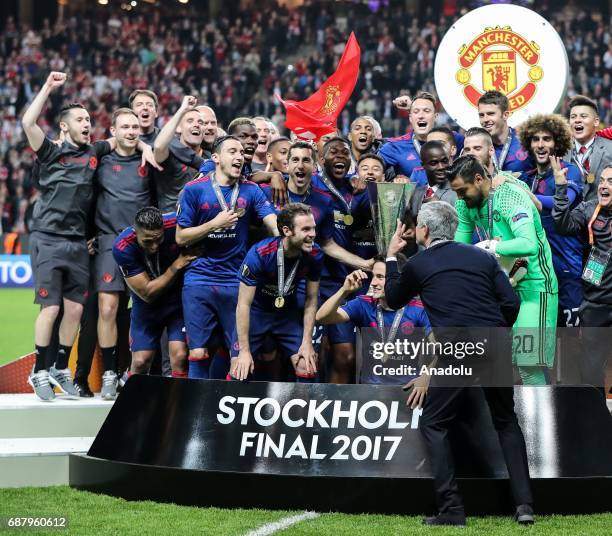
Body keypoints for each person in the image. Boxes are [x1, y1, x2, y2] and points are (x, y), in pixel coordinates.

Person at [384, 201, 534, 527]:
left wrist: (392, 255)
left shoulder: (419, 264)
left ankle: (452, 510)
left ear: (423, 231)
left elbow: (393, 298)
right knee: (506, 422)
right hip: (496, 342)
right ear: (452, 229)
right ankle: (524, 506)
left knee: (433, 423)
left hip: (458, 348)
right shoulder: (482, 257)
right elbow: (510, 301)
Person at [22, 71, 155, 401]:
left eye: (88, 119)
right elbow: (28, 122)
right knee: (50, 308)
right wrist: (49, 87)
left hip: (79, 242)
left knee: (76, 310)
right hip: (48, 237)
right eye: (80, 119)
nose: (86, 123)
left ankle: (59, 368)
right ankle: (39, 369)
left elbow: (126, 137)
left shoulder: (95, 151)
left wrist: (144, 146)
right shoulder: (51, 152)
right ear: (64, 126)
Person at [448, 155, 558, 385]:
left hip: (534, 287)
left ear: (479, 179)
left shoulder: (510, 196)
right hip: (501, 286)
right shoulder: (465, 202)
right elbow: (460, 246)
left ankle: (544, 420)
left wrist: (490, 247)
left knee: (528, 366)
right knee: (498, 363)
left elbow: (529, 244)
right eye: (456, 192)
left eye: (462, 191)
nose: (459, 197)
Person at [176, 135, 278, 378]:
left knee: (239, 355)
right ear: (216, 158)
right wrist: (213, 224)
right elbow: (181, 238)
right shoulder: (193, 190)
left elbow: (271, 220)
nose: (239, 156)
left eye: (242, 152)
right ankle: (194, 411)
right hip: (199, 280)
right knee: (198, 352)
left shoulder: (251, 190)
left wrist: (283, 235)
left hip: (236, 282)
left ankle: (230, 412)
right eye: (232, 151)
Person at [83, 108, 154, 398]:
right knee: (107, 308)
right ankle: (110, 372)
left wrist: (145, 147)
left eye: (135, 126)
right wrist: (89, 234)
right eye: (124, 126)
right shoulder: (101, 160)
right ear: (113, 131)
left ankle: (139, 372)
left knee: (144, 310)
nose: (131, 130)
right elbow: (84, 195)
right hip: (109, 242)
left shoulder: (150, 159)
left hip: (143, 244)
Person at [230, 203, 322, 382]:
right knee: (239, 370)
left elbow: (311, 300)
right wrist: (244, 352)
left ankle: (300, 410)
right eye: (306, 229)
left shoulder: (315, 255)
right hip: (257, 314)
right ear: (287, 231)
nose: (313, 234)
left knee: (307, 366)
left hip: (286, 316)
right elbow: (243, 304)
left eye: (313, 228)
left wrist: (307, 342)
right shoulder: (260, 254)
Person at [316, 256, 430, 385]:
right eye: (373, 276)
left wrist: (426, 376)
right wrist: (344, 291)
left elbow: (445, 349)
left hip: (407, 390)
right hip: (370, 391)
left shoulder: (418, 309)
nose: (373, 283)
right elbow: (322, 317)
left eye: (380, 277)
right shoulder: (363, 304)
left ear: (398, 279)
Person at [316, 137, 374, 383]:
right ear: (321, 159)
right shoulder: (313, 187)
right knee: (315, 354)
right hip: (318, 282)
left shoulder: (355, 189)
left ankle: (335, 414)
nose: (340, 155)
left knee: (345, 355)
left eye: (344, 152)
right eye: (333, 152)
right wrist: (273, 175)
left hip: (349, 282)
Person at [517, 114, 584, 327]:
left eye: (547, 139)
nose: (540, 144)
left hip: (565, 265)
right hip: (537, 269)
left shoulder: (569, 170)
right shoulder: (526, 178)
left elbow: (564, 201)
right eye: (535, 139)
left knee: (571, 338)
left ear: (558, 143)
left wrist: (531, 197)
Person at [553, 163, 612, 399]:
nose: (605, 186)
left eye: (611, 182)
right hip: (596, 304)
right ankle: (595, 420)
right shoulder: (589, 210)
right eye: (603, 181)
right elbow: (563, 224)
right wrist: (560, 188)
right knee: (590, 370)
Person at [112, 208, 193, 379]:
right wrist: (177, 264)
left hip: (178, 303)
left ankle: (178, 403)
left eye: (158, 239)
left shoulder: (176, 224)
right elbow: (147, 293)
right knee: (141, 361)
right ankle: (132, 397)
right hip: (147, 306)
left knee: (180, 355)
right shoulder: (122, 246)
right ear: (135, 232)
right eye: (147, 241)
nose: (154, 246)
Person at [153, 95, 205, 212]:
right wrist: (182, 110)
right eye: (190, 121)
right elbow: (158, 146)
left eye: (200, 122)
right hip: (171, 223)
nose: (196, 124)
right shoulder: (169, 154)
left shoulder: (210, 156)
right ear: (178, 128)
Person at [378, 91, 438, 178]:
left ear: (435, 117)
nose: (421, 116)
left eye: (426, 111)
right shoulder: (395, 146)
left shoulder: (451, 139)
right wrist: (393, 181)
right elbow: (370, 168)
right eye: (416, 112)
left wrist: (413, 107)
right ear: (410, 118)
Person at [565, 95, 612, 202]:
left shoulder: (610, 149)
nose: (577, 120)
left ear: (596, 122)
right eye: (573, 117)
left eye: (583, 116)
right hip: (567, 216)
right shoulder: (560, 151)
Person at [477, 90, 531, 174]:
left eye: (490, 114)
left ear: (505, 115)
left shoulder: (526, 141)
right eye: (481, 115)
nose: (485, 119)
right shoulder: (477, 147)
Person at [409, 141, 457, 219]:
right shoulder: (415, 193)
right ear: (423, 165)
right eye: (434, 163)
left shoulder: (457, 193)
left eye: (444, 161)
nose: (441, 167)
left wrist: (442, 210)